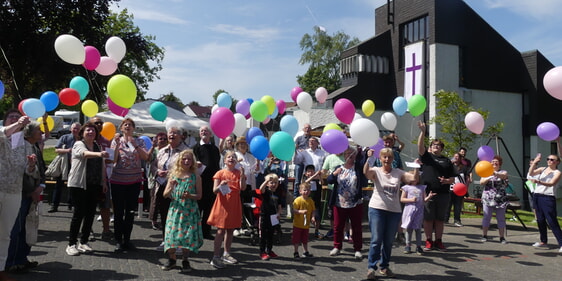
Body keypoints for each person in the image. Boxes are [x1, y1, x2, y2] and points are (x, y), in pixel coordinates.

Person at [363, 147, 419, 279]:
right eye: (384, 157)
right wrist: (368, 159)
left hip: (393, 211)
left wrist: (416, 167)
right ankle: (371, 268)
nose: (387, 159)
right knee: (376, 239)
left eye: (390, 157)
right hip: (377, 208)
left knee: (388, 241)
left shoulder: (398, 172)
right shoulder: (375, 171)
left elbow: (412, 179)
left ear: (393, 159)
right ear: (381, 159)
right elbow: (366, 173)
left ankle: (384, 266)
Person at [65, 122, 110, 256]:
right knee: (78, 214)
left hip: (94, 185)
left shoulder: (97, 146)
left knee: (90, 214)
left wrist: (104, 182)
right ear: (82, 133)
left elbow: (102, 166)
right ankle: (71, 244)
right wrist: (99, 154)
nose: (91, 132)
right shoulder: (79, 144)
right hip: (79, 184)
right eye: (88, 130)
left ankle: (83, 241)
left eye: (93, 131)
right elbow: (84, 154)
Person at [5, 121, 44, 274]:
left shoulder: (35, 146)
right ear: (29, 133)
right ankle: (11, 261)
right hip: (21, 193)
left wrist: (41, 187)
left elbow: (41, 168)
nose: (41, 133)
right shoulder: (19, 144)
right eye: (38, 130)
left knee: (28, 227)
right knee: (17, 229)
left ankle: (21, 258)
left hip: (31, 193)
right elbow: (16, 170)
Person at [160, 149, 203, 272]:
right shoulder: (173, 176)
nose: (186, 161)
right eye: (184, 158)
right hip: (176, 209)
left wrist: (190, 196)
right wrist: (172, 186)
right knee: (171, 235)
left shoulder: (196, 177)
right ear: (180, 161)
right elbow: (165, 194)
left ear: (192, 161)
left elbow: (199, 196)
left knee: (187, 236)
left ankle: (185, 260)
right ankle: (172, 259)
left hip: (189, 210)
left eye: (189, 159)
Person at [0, 110, 31, 281]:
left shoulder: (23, 143)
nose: (15, 118)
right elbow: (5, 132)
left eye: (16, 116)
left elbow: (24, 169)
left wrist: (31, 166)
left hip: (14, 192)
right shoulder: (1, 133)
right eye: (11, 117)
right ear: (5, 121)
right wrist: (18, 123)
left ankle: (0, 270)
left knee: (5, 234)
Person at [110, 118, 149, 252]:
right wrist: (115, 144)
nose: (128, 126)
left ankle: (127, 239)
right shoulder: (116, 141)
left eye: (130, 125)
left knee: (130, 212)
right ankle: (118, 240)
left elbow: (146, 157)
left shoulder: (139, 141)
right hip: (118, 181)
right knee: (118, 212)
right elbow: (113, 159)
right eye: (125, 124)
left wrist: (135, 145)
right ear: (121, 128)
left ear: (133, 128)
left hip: (134, 182)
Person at [417, 121, 456, 251]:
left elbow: (453, 178)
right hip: (428, 193)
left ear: (441, 148)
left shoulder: (447, 161)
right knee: (428, 219)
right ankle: (428, 241)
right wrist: (423, 132)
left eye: (438, 146)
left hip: (443, 194)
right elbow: (420, 147)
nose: (436, 147)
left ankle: (438, 241)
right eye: (434, 145)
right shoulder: (427, 157)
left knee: (439, 219)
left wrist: (447, 181)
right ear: (431, 147)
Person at [207, 151, 246, 269]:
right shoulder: (220, 173)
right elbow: (214, 190)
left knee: (230, 230)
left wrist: (243, 176)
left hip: (234, 203)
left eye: (234, 157)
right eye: (229, 157)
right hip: (223, 204)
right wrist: (221, 186)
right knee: (220, 230)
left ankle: (226, 253)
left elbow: (242, 188)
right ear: (224, 160)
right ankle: (215, 256)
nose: (231, 158)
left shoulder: (239, 173)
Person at [154, 126, 189, 250]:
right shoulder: (162, 151)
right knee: (164, 215)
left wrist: (169, 173)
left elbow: (188, 169)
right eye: (170, 133)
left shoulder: (185, 151)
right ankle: (166, 241)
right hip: (163, 188)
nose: (171, 135)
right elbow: (153, 166)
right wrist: (158, 171)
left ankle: (178, 243)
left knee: (177, 217)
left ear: (180, 136)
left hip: (178, 189)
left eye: (175, 133)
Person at [327, 146, 363, 260]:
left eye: (352, 154)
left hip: (355, 203)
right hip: (339, 202)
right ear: (344, 155)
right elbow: (329, 180)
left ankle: (357, 249)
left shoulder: (358, 167)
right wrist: (334, 174)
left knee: (356, 226)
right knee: (338, 226)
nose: (349, 156)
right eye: (347, 154)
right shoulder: (339, 167)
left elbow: (365, 166)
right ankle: (337, 246)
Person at [528, 154, 562, 252]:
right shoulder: (542, 169)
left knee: (551, 221)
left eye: (552, 160)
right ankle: (543, 241)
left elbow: (552, 183)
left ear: (557, 162)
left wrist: (539, 182)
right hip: (537, 196)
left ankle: (561, 243)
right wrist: (535, 162)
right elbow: (531, 173)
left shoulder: (557, 172)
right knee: (540, 220)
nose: (550, 161)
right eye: (548, 159)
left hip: (548, 197)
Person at [192, 126, 221, 240]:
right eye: (202, 131)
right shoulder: (195, 148)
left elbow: (217, 164)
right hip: (200, 182)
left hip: (212, 183)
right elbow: (190, 163)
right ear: (199, 134)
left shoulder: (214, 148)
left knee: (209, 209)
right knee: (198, 209)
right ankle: (195, 231)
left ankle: (206, 231)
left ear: (210, 134)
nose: (204, 132)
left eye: (206, 131)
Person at [49, 122, 81, 213]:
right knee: (58, 185)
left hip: (76, 165)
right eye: (74, 128)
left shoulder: (81, 139)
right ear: (71, 129)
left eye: (78, 129)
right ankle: (54, 205)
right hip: (64, 164)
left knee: (73, 186)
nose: (76, 130)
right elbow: (57, 149)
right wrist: (68, 150)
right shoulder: (65, 138)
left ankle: (71, 204)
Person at [90, 116, 113, 240]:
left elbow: (111, 159)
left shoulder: (106, 140)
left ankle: (106, 230)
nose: (99, 125)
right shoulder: (85, 140)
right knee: (89, 207)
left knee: (105, 205)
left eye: (100, 123)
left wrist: (110, 159)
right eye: (96, 123)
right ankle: (88, 230)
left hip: (104, 179)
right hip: (88, 179)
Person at [479, 155, 509, 244]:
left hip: (500, 198)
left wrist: (495, 173)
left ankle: (502, 237)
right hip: (488, 198)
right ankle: (484, 235)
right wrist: (488, 177)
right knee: (486, 217)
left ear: (500, 163)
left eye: (496, 161)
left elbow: (504, 176)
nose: (494, 163)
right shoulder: (486, 172)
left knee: (501, 218)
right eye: (492, 162)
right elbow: (481, 182)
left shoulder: (503, 172)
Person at [401, 175, 433, 255]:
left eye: (416, 177)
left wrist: (429, 197)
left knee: (418, 229)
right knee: (409, 229)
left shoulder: (422, 188)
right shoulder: (406, 187)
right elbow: (402, 199)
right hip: (409, 211)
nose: (415, 179)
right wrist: (410, 200)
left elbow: (424, 199)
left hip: (419, 211)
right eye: (413, 177)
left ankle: (418, 246)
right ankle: (408, 245)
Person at [234, 136, 259, 235]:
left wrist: (257, 166)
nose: (243, 145)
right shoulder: (235, 155)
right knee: (238, 206)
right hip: (238, 185)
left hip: (249, 184)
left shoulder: (251, 157)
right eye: (240, 144)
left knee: (248, 206)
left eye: (244, 144)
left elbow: (255, 171)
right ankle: (236, 226)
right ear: (237, 145)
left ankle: (247, 226)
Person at [253, 173, 281, 260]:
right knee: (263, 235)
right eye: (271, 182)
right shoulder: (266, 192)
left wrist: (279, 213)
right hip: (264, 216)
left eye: (275, 182)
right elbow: (261, 189)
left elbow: (279, 205)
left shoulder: (277, 194)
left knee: (271, 235)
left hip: (273, 217)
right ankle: (262, 252)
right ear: (268, 184)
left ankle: (269, 250)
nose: (273, 185)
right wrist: (266, 181)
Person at [147, 132, 168, 230]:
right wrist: (152, 147)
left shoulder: (168, 151)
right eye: (161, 139)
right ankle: (153, 220)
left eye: (165, 139)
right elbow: (148, 160)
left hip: (166, 179)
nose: (163, 141)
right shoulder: (154, 150)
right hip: (154, 177)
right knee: (154, 199)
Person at [446, 152, 471, 227]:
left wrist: (466, 187)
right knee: (448, 204)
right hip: (450, 188)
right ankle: (445, 219)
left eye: (457, 156)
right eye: (454, 156)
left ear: (460, 158)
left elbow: (467, 178)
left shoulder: (464, 167)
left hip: (460, 189)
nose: (456, 158)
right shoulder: (450, 166)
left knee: (457, 205)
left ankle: (457, 220)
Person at [292, 183, 316, 259]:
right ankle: (296, 252)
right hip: (297, 224)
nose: (306, 192)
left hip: (306, 225)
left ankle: (305, 252)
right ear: (300, 191)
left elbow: (313, 210)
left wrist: (313, 217)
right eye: (305, 190)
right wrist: (300, 212)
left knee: (305, 240)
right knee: (296, 239)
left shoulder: (310, 201)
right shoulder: (298, 200)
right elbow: (294, 210)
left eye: (308, 190)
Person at [302, 164, 323, 238]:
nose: (310, 173)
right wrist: (315, 175)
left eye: (312, 171)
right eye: (308, 172)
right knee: (306, 217)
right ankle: (304, 232)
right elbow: (306, 182)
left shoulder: (316, 181)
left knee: (317, 217)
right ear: (305, 173)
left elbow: (321, 183)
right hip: (307, 202)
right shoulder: (305, 180)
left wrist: (319, 176)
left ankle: (316, 231)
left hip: (316, 201)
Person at [293, 123, 312, 197]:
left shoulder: (312, 139)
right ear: (303, 129)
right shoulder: (299, 138)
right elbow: (294, 148)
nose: (307, 129)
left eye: (308, 128)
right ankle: (296, 197)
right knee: (297, 180)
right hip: (299, 161)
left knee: (307, 180)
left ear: (310, 130)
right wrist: (298, 151)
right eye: (306, 128)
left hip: (308, 162)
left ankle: (307, 196)